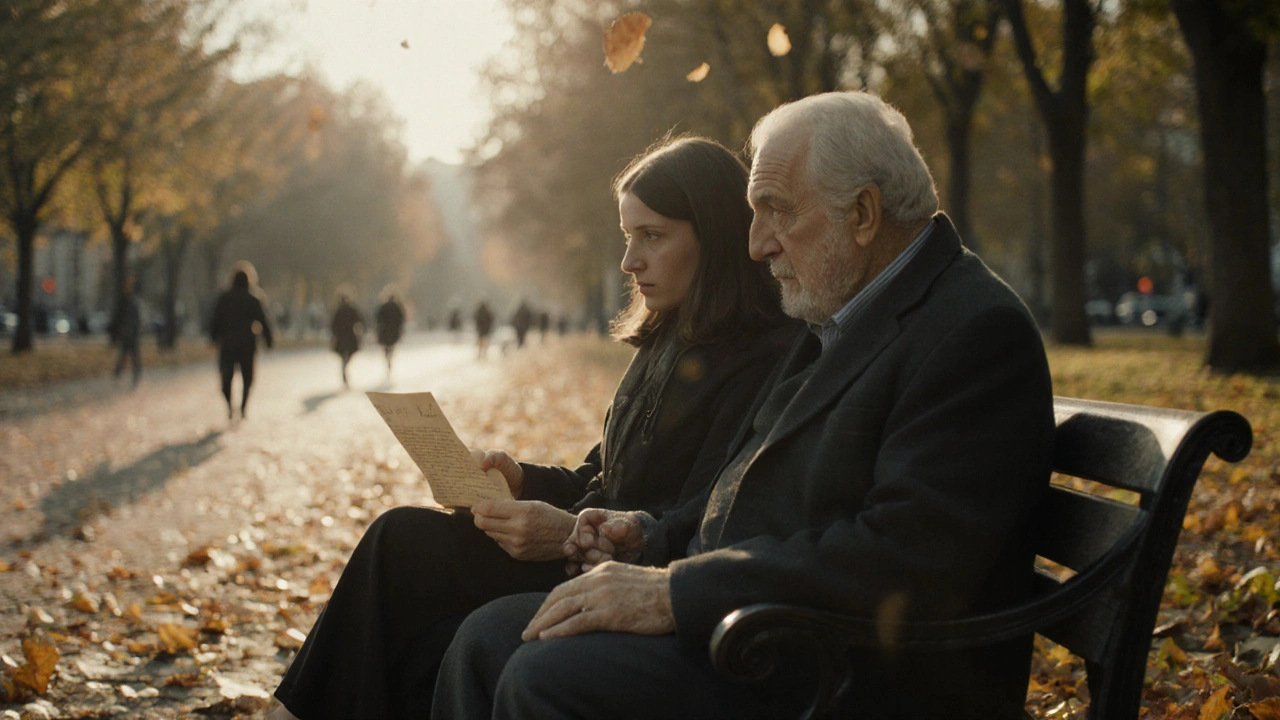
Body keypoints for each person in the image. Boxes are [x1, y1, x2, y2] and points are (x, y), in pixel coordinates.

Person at [434, 91, 1056, 720]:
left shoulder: (972, 331)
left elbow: (906, 557)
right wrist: (647, 537)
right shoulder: (840, 316)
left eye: (776, 213)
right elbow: (747, 491)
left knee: (544, 674)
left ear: (863, 213)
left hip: (849, 671)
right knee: (488, 640)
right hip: (770, 631)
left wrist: (676, 592)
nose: (757, 245)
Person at [268, 136, 799, 720]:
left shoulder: (763, 358)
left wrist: (567, 531)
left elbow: (703, 515)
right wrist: (523, 482)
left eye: (653, 236)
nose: (630, 261)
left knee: (427, 601)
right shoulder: (666, 334)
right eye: (628, 237)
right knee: (399, 540)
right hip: (574, 545)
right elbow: (602, 472)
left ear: (715, 238)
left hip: (621, 571)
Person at [210, 262, 274, 419]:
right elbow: (263, 321)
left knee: (226, 377)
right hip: (247, 344)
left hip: (227, 344)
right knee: (247, 378)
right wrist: (268, 340)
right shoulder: (253, 299)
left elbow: (215, 320)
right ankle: (243, 406)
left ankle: (229, 405)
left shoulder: (224, 298)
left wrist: (213, 337)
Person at [110, 278, 143, 387]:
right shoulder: (128, 303)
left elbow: (135, 320)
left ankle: (125, 375)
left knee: (130, 356)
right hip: (128, 335)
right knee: (126, 356)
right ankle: (119, 374)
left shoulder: (129, 303)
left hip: (130, 335)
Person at [330, 288, 364, 387]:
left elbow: (333, 324)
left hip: (341, 335)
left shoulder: (338, 310)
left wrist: (334, 334)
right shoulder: (351, 309)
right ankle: (345, 366)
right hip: (350, 334)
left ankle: (344, 367)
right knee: (350, 352)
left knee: (342, 354)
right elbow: (359, 320)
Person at [374, 284, 407, 376]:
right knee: (391, 346)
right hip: (393, 330)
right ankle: (389, 359)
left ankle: (387, 358)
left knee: (386, 347)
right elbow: (401, 319)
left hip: (384, 331)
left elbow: (378, 319)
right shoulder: (397, 307)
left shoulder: (383, 306)